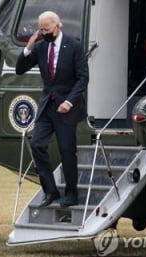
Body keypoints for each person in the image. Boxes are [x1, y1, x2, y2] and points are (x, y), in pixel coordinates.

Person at [15, 11, 89, 207]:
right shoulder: (40, 47)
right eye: (40, 30)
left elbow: (83, 78)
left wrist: (70, 102)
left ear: (57, 26)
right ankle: (51, 191)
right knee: (37, 145)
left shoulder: (74, 46)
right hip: (47, 106)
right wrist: (28, 48)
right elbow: (19, 69)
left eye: (46, 29)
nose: (43, 33)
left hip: (67, 107)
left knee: (67, 150)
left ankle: (71, 193)